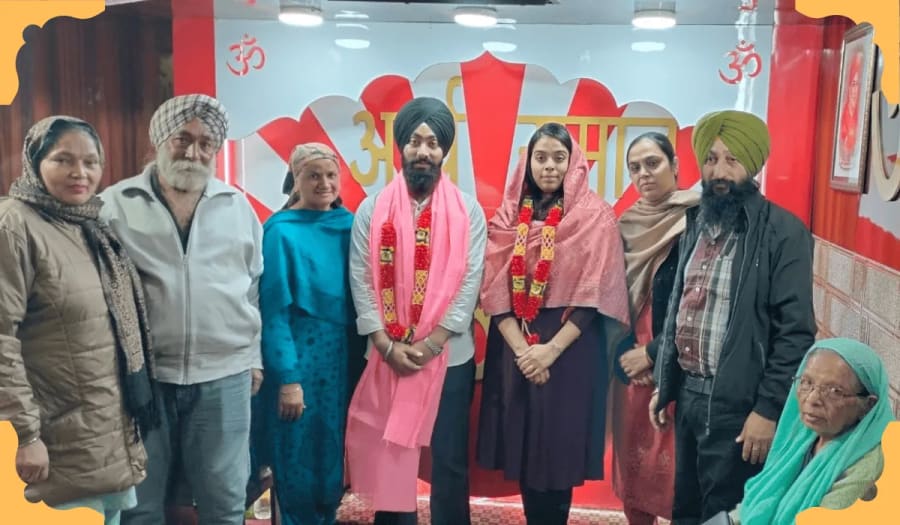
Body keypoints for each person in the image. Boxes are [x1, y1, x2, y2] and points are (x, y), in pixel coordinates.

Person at [100, 94, 264, 525]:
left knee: (225, 503)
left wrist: (254, 359)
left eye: (206, 143)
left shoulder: (237, 205)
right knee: (139, 504)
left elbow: (253, 288)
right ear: (159, 141)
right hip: (142, 378)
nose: (193, 152)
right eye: (182, 139)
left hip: (224, 375)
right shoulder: (114, 205)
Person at [650, 110, 816, 524]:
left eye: (731, 159)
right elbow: (680, 309)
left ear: (753, 164)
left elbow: (795, 334)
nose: (719, 171)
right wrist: (666, 382)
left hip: (740, 408)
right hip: (690, 397)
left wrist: (768, 410)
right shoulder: (696, 224)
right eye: (711, 159)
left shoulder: (783, 232)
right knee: (685, 511)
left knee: (724, 515)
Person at [0, 116, 156, 524]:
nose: (79, 173)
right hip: (52, 444)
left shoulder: (91, 225)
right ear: (35, 163)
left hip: (107, 435)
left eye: (90, 162)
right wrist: (23, 434)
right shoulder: (14, 225)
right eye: (63, 160)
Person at [477, 123, 631, 525]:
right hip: (517, 343)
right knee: (527, 448)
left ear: (573, 163)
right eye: (540, 157)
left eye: (558, 158)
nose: (549, 167)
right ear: (527, 163)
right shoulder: (510, 215)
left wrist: (549, 351)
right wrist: (524, 350)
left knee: (558, 451)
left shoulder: (595, 217)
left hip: (571, 347)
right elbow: (494, 291)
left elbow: (595, 294)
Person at [344, 97, 487, 525]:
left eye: (432, 143)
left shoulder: (469, 211)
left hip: (449, 356)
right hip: (389, 355)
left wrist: (432, 343)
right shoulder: (372, 210)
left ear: (444, 151)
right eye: (414, 141)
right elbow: (362, 279)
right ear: (400, 147)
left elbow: (470, 281)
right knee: (393, 458)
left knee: (448, 461)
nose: (423, 151)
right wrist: (387, 345)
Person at [255, 143, 358, 525]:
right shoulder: (280, 232)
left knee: (331, 458)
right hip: (298, 361)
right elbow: (274, 313)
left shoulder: (348, 225)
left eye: (331, 175)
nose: (324, 183)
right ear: (295, 180)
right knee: (295, 458)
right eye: (313, 175)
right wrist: (288, 379)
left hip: (340, 363)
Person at [613, 132, 700, 525]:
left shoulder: (698, 219)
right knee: (635, 471)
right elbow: (611, 296)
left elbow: (700, 304)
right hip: (628, 366)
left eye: (653, 163)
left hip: (678, 360)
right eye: (635, 168)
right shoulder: (627, 224)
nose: (644, 174)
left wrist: (653, 354)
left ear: (676, 165)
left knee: (677, 477)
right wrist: (626, 354)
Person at [725, 338, 894, 524]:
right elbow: (759, 499)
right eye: (806, 382)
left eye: (834, 391)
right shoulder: (804, 436)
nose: (812, 399)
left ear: (868, 406)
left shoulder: (867, 469)